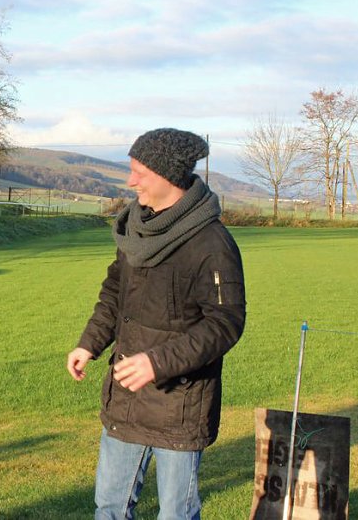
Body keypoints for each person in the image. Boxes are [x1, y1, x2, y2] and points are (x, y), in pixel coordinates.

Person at [66, 128, 246, 519]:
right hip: (126, 400)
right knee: (110, 508)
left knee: (176, 514)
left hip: (179, 403)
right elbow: (115, 293)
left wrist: (157, 363)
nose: (131, 182)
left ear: (168, 176)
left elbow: (225, 323)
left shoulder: (212, 243)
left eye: (139, 173)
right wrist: (89, 343)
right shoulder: (135, 230)